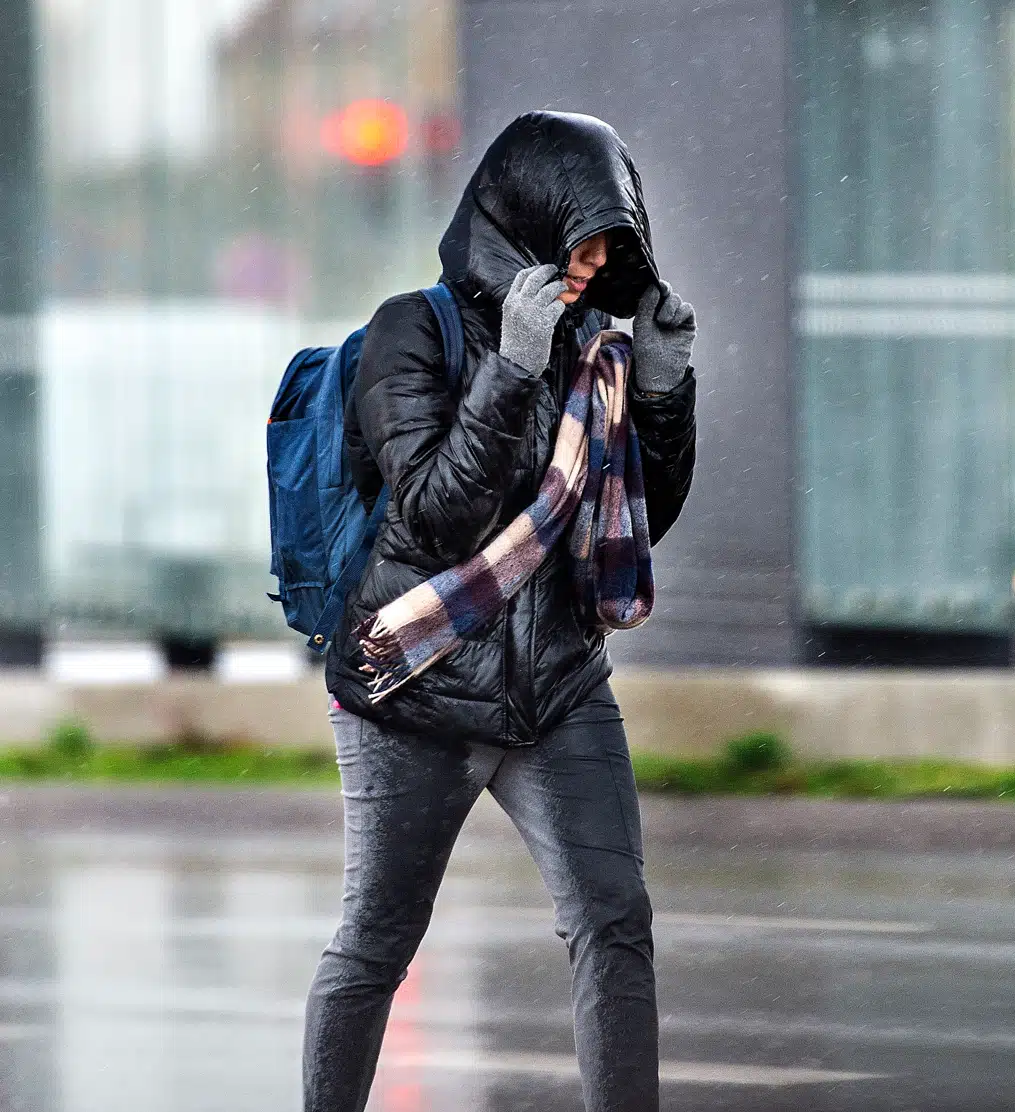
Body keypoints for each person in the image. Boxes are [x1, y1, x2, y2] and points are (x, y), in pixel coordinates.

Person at [303, 111, 697, 1112]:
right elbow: (440, 513)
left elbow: (633, 517)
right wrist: (510, 369)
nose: (597, 263)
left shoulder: (589, 349)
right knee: (376, 941)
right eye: (582, 241)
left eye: (613, 243)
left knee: (615, 919)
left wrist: (660, 388)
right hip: (417, 687)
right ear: (522, 224)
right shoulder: (410, 330)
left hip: (558, 683)